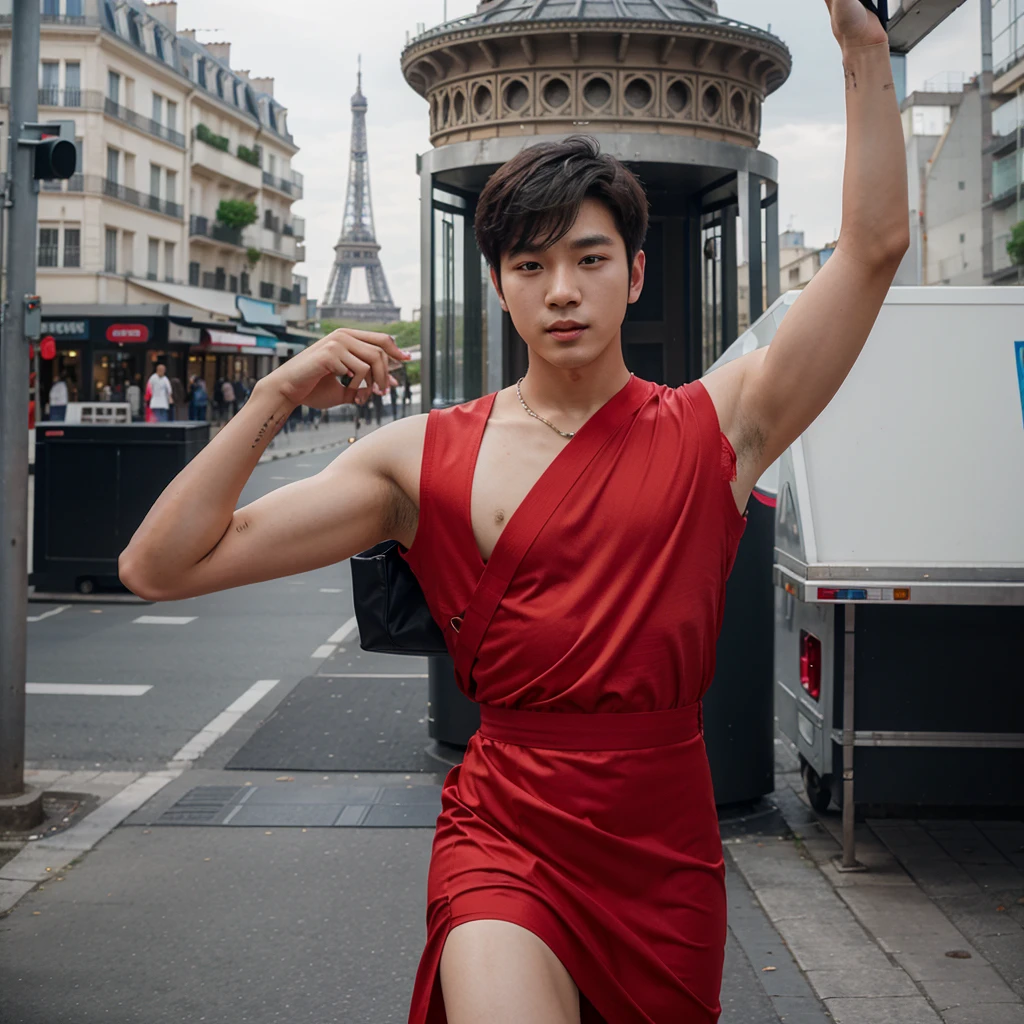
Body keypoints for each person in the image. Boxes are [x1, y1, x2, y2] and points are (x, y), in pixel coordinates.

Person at [119, 5, 906, 1019]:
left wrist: (862, 54)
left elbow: (874, 246)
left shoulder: (725, 420)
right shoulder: (418, 457)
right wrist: (273, 393)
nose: (561, 290)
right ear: (497, 284)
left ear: (636, 270)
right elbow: (159, 566)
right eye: (530, 265)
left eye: (587, 257)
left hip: (662, 845)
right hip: (506, 833)